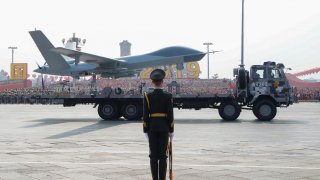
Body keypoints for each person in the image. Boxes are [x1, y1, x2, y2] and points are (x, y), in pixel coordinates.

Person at [143, 69, 174, 180]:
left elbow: (145, 115)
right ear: (162, 81)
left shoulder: (147, 95)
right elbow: (170, 115)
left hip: (152, 127)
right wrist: (171, 130)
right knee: (163, 156)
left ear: (152, 82)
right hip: (164, 128)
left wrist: (145, 130)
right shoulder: (168, 95)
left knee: (153, 156)